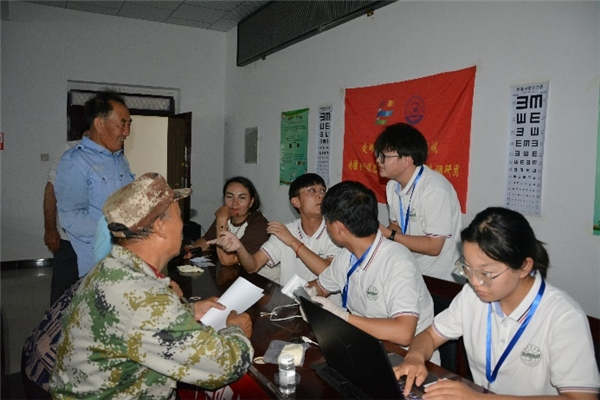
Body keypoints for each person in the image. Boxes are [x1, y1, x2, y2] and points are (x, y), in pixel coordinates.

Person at [50, 172, 253, 398]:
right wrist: (236, 329)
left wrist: (188, 311)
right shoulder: (146, 299)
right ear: (159, 226)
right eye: (178, 216)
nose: (183, 225)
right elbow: (222, 366)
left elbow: (131, 324)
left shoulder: (110, 268)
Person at [394, 207, 600, 398]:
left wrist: (478, 398)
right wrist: (415, 357)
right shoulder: (472, 296)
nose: (474, 282)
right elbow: (429, 336)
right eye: (467, 268)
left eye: (486, 273)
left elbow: (582, 398)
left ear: (524, 267)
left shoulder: (563, 317)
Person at [306, 181, 435, 354]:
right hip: (365, 346)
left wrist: (342, 317)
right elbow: (321, 287)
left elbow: (404, 333)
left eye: (326, 221)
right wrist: (308, 294)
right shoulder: (347, 255)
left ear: (338, 227)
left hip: (405, 356)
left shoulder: (397, 261)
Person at [54, 91, 135, 277]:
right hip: (95, 263)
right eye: (122, 124)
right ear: (99, 124)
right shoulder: (76, 161)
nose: (127, 132)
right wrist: (113, 231)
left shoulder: (119, 159)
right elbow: (71, 217)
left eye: (129, 124)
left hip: (123, 256)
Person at [209, 173, 341, 286]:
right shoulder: (286, 230)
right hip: (290, 302)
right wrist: (240, 248)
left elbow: (329, 274)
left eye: (322, 191)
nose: (320, 195)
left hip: (324, 306)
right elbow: (253, 266)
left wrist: (292, 241)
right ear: (296, 202)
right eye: (312, 191)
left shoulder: (336, 230)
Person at [374, 122, 461, 282]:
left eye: (384, 156)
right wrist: (376, 235)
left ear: (406, 161)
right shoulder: (392, 185)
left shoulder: (434, 190)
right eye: (378, 154)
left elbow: (434, 247)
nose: (378, 160)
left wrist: (388, 234)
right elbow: (397, 226)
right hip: (410, 269)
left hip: (439, 278)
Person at [185, 176, 269, 274]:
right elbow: (207, 240)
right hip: (235, 273)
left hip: (259, 278)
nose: (234, 203)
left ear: (251, 202)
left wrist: (221, 220)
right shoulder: (226, 216)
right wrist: (191, 248)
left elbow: (228, 260)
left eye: (242, 198)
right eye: (229, 196)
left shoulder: (259, 224)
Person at [44, 132, 88, 304]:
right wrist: (50, 229)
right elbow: (51, 192)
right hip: (69, 239)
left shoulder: (114, 155)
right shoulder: (70, 151)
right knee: (62, 297)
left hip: (96, 241)